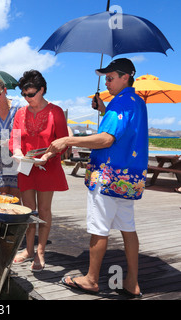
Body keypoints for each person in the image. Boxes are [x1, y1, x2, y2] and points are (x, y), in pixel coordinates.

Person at [48, 58, 147, 298]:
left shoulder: (121, 102)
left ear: (126, 77)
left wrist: (68, 140)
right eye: (105, 78)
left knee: (99, 228)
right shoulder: (137, 101)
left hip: (108, 176)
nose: (107, 82)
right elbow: (124, 129)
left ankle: (91, 279)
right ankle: (132, 281)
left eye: (111, 78)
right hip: (129, 177)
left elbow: (106, 139)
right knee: (128, 227)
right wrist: (104, 109)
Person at [9, 70, 69, 272]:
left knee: (43, 210)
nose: (27, 99)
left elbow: (62, 142)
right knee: (28, 210)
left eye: (31, 94)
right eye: (24, 95)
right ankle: (28, 249)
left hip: (47, 166)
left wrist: (47, 156)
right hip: (26, 167)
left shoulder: (56, 112)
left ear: (42, 90)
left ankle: (40, 251)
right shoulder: (20, 113)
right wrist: (17, 152)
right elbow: (15, 140)